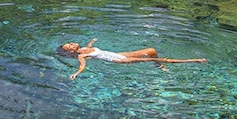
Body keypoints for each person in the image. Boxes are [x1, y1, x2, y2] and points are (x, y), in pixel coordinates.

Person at [56, 38, 207, 80]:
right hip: (119, 60)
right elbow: (82, 66)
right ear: (71, 51)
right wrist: (76, 74)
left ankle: (158, 65)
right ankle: (194, 60)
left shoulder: (84, 48)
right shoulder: (81, 55)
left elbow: (91, 47)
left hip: (119, 53)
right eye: (69, 46)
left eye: (70, 43)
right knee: (157, 59)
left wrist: (92, 42)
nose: (72, 44)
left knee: (152, 51)